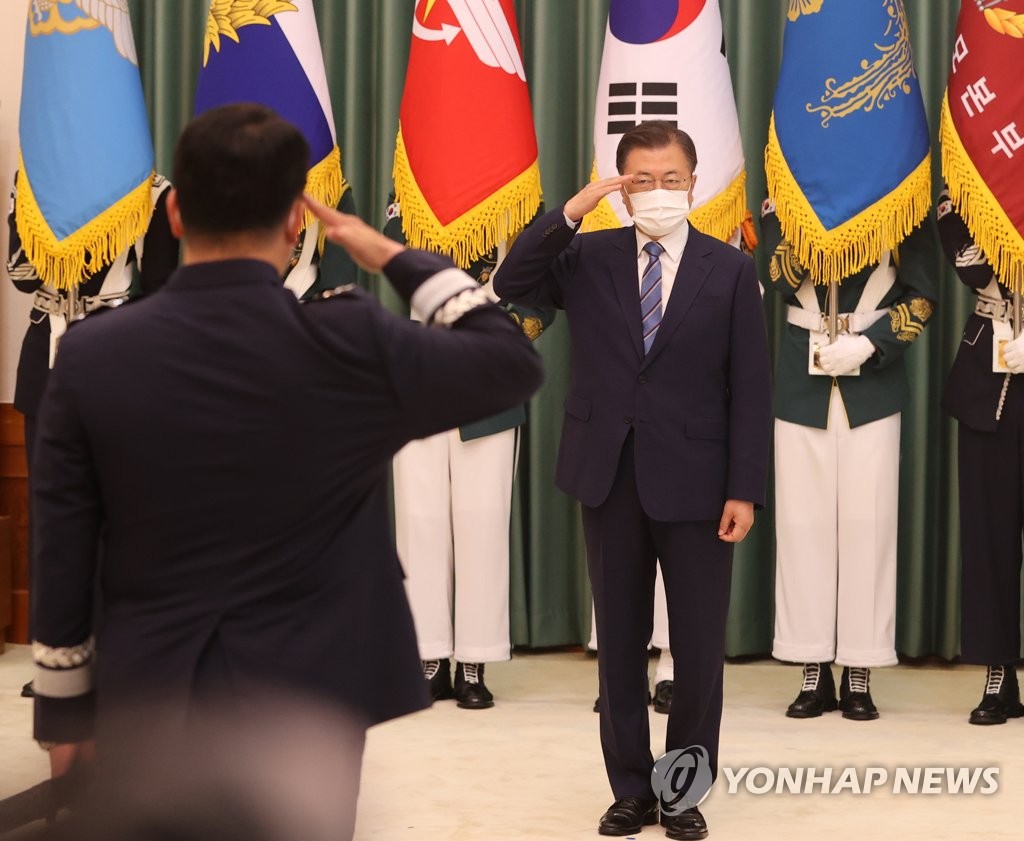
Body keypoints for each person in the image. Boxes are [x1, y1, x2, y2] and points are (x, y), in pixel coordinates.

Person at [28, 103, 544, 833]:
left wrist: (63, 710)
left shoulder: (93, 354)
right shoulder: (348, 340)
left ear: (173, 215)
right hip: (310, 700)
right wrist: (395, 256)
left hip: (148, 689)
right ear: (298, 222)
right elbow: (509, 360)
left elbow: (61, 549)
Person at [495, 120, 772, 840]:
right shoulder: (585, 256)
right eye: (640, 180)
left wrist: (744, 488)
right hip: (608, 474)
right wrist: (573, 209)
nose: (657, 192)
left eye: (670, 178)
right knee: (619, 643)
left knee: (699, 646)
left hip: (703, 483)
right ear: (621, 188)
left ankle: (681, 789)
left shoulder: (732, 269)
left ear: (694, 181)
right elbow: (510, 279)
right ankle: (630, 788)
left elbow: (751, 388)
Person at [7, 172, 178, 699]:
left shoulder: (153, 192)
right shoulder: (38, 183)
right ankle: (63, 660)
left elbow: (162, 285)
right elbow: (19, 272)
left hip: (120, 360)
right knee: (53, 520)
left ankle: (121, 657)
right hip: (48, 360)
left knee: (122, 520)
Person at [763, 200, 936, 722]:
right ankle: (811, 664)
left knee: (869, 524)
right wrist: (814, 227)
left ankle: (860, 665)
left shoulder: (904, 202)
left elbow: (923, 296)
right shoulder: (792, 198)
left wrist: (871, 344)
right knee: (801, 526)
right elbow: (775, 275)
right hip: (800, 377)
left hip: (873, 381)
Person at [938, 188, 1024, 725]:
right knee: (988, 536)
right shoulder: (986, 147)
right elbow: (952, 228)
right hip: (989, 374)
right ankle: (998, 670)